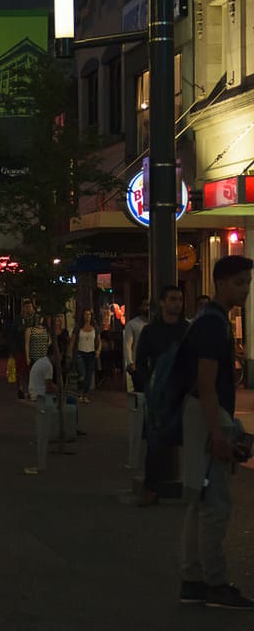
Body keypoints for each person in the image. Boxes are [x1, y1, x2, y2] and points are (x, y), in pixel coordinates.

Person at [178, 255, 254, 609]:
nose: (246, 289)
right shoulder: (213, 323)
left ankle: (193, 580)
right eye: (239, 281)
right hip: (208, 415)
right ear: (221, 283)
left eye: (248, 282)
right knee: (216, 504)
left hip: (201, 413)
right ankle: (215, 583)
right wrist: (219, 434)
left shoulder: (211, 320)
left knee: (201, 499)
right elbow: (206, 384)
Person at [131, 284, 187, 507]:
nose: (177, 303)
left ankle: (195, 488)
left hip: (182, 392)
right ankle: (151, 488)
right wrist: (148, 384)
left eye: (180, 299)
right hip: (159, 394)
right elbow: (141, 361)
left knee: (189, 440)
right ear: (162, 302)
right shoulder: (150, 331)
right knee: (155, 442)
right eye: (172, 299)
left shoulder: (186, 329)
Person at [72, 308, 101, 403]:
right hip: (80, 352)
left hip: (91, 353)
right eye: (85, 314)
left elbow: (99, 341)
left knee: (89, 376)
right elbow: (73, 340)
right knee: (82, 374)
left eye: (89, 315)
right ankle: (80, 393)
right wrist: (70, 354)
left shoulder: (95, 327)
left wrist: (98, 351)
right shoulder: (78, 328)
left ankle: (85, 394)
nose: (87, 317)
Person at [123, 298, 150, 393]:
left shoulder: (156, 324)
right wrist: (130, 362)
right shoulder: (132, 324)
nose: (148, 308)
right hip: (138, 365)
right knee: (140, 393)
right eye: (146, 305)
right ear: (141, 307)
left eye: (149, 305)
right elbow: (127, 345)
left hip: (153, 365)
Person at [24, 314, 52, 402]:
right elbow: (27, 343)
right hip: (34, 356)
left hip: (43, 356)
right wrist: (27, 357)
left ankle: (41, 393)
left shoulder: (46, 330)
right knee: (33, 375)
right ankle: (33, 393)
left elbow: (50, 341)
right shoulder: (30, 330)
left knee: (44, 376)